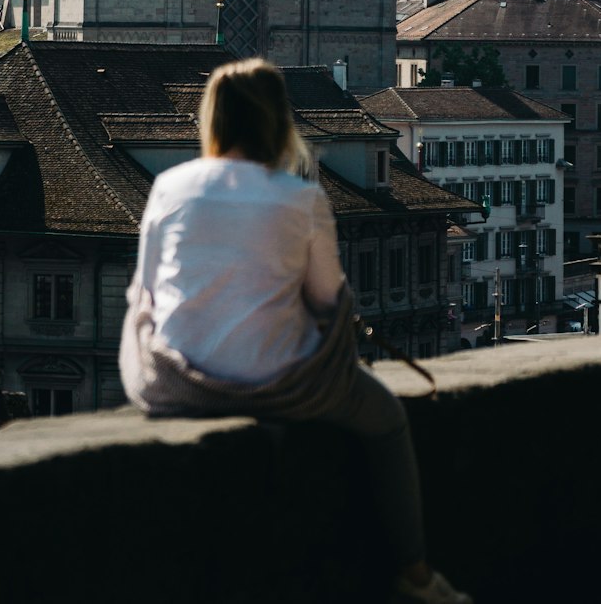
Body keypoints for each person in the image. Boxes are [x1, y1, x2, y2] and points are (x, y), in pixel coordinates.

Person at [120, 57, 471, 604]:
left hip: (176, 383)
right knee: (389, 421)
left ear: (211, 119)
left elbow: (143, 290)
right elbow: (330, 301)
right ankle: (416, 573)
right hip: (282, 385)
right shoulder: (301, 197)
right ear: (277, 122)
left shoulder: (168, 185)